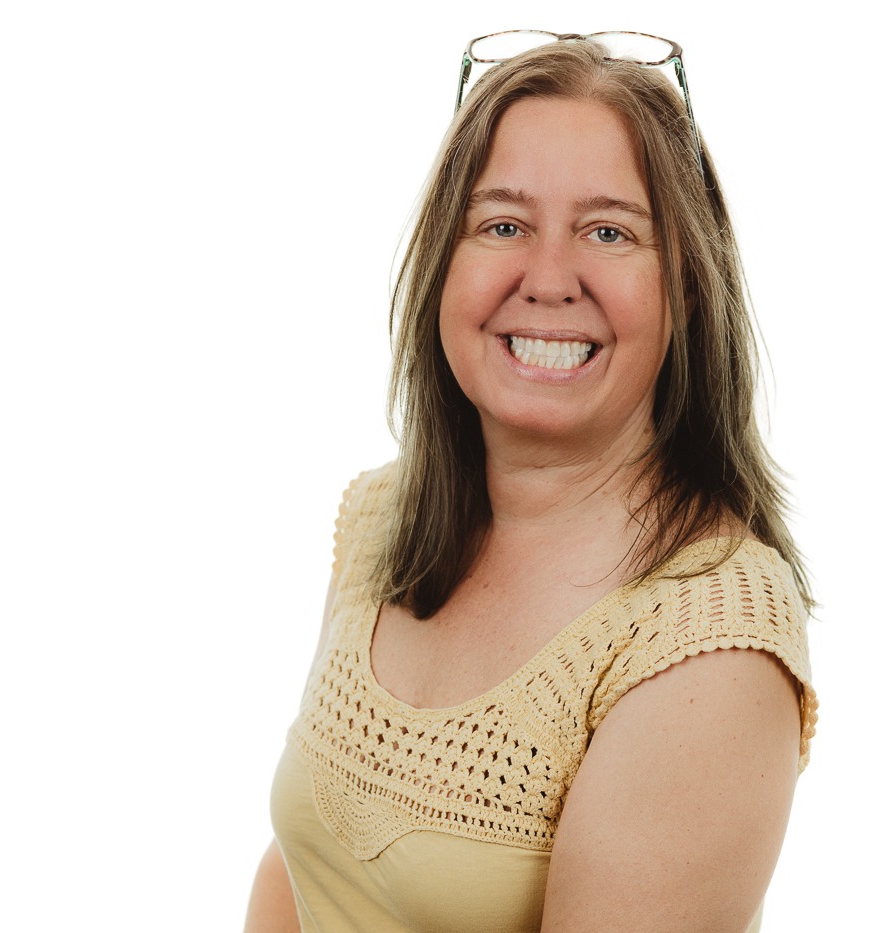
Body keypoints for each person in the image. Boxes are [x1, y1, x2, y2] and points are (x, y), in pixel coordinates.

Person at [245, 32, 818, 933]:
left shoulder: (711, 636)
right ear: (445, 264)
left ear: (688, 287)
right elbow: (302, 867)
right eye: (503, 224)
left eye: (609, 231)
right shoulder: (383, 519)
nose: (549, 279)